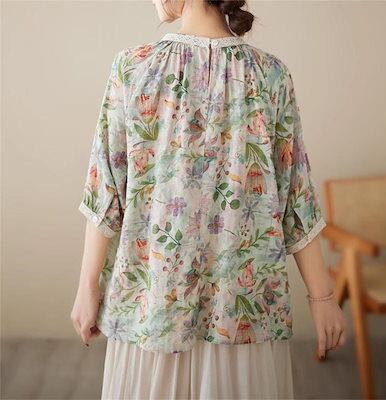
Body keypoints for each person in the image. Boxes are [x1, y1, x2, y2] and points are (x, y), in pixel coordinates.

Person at [70, 0, 347, 398]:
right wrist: (322, 298)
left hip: (153, 304)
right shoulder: (270, 74)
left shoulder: (133, 67)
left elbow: (106, 190)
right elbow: (296, 196)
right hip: (242, 308)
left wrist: (87, 287)